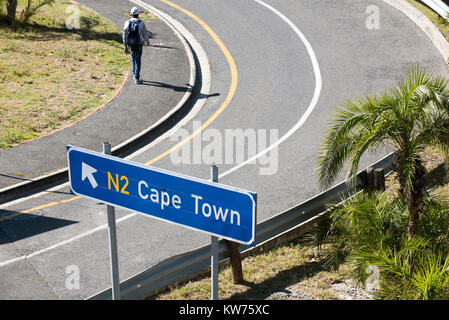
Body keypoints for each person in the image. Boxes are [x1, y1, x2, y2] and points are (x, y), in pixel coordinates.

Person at [123, 7, 151, 84]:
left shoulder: (127, 22)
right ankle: (137, 78)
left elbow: (124, 34)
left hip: (131, 44)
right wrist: (147, 41)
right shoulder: (141, 23)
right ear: (138, 14)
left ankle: (134, 75)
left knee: (133, 59)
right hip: (139, 44)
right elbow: (145, 33)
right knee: (138, 60)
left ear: (131, 14)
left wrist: (125, 46)